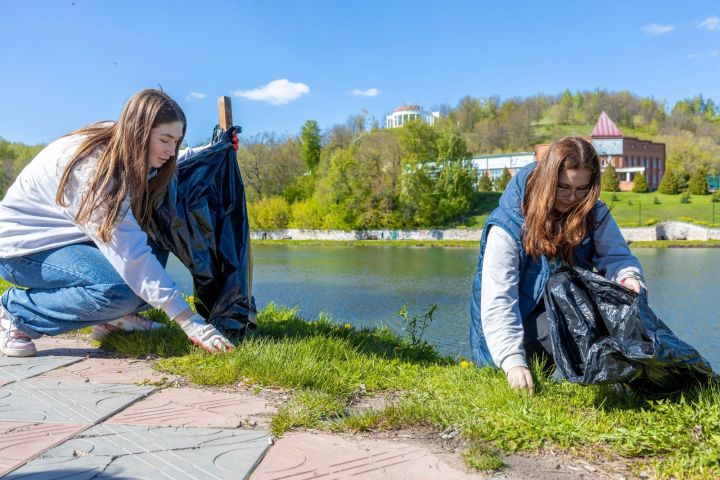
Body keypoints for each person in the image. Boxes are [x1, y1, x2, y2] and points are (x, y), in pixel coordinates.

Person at [0, 89, 236, 357]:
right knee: (121, 289)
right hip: (22, 250)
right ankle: (15, 313)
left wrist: (214, 151)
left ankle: (113, 318)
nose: (172, 151)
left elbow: (178, 159)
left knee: (151, 256)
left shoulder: (123, 143)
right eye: (165, 140)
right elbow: (131, 257)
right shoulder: (93, 170)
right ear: (139, 133)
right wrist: (189, 321)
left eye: (177, 141)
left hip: (71, 237)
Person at [470, 136, 645, 394]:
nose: (572, 197)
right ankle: (598, 377)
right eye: (562, 188)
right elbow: (499, 298)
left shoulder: (592, 211)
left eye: (581, 189)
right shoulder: (507, 224)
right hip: (516, 325)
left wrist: (628, 278)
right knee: (563, 327)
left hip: (566, 310)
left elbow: (617, 258)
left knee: (618, 310)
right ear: (547, 181)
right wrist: (512, 362)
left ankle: (628, 378)